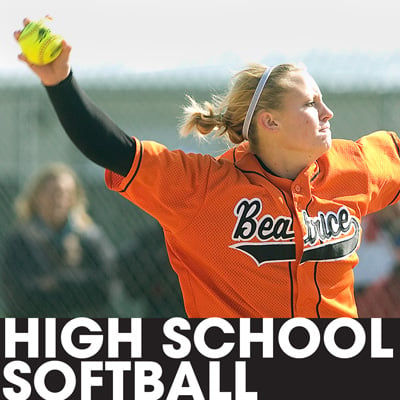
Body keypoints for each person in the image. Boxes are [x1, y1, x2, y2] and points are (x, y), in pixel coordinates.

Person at [14, 18, 400, 318]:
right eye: (310, 104)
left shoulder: (355, 167)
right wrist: (60, 81)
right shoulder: (204, 189)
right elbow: (112, 149)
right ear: (270, 122)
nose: (327, 112)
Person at [1, 162, 119, 317]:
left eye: (66, 194)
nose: (59, 199)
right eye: (51, 193)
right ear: (36, 196)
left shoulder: (90, 238)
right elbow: (16, 293)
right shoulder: (20, 240)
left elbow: (107, 286)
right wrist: (77, 288)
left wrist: (58, 282)